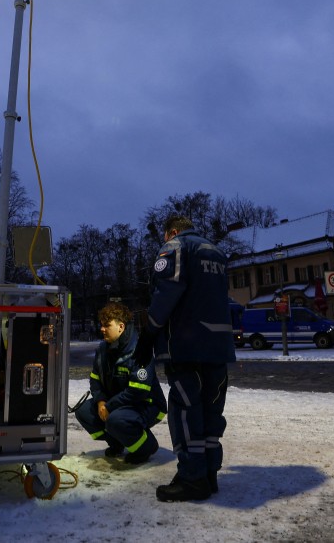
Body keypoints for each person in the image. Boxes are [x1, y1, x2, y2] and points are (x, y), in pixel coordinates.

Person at [135, 215, 236, 502]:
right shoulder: (217, 252)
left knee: (186, 411)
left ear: (173, 231)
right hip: (218, 345)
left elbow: (166, 293)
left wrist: (149, 332)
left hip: (186, 344)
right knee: (211, 411)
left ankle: (192, 478)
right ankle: (209, 473)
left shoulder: (176, 247)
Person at [75, 301, 167, 465]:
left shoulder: (139, 350)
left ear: (121, 327)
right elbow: (95, 379)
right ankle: (117, 442)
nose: (102, 329)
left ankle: (145, 448)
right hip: (118, 404)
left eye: (107, 325)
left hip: (147, 404)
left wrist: (109, 407)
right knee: (84, 412)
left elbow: (138, 391)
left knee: (116, 420)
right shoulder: (103, 349)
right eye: (101, 325)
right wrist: (100, 402)